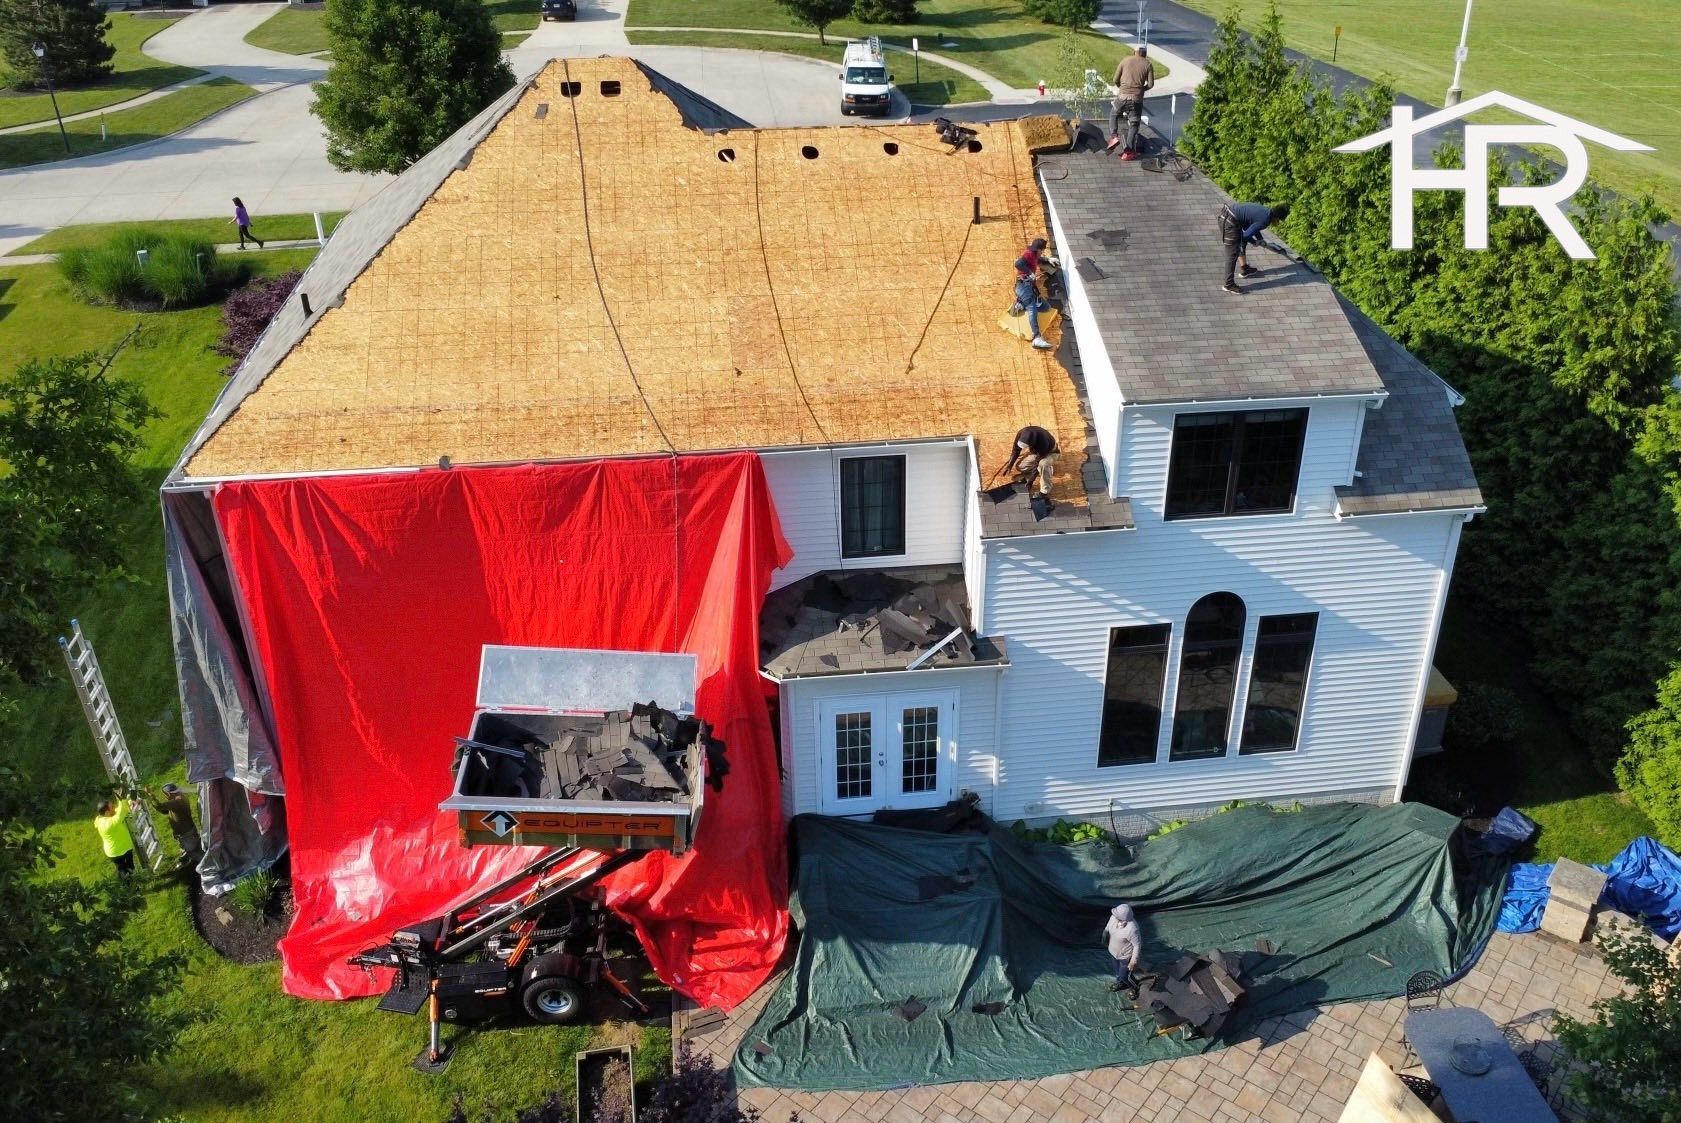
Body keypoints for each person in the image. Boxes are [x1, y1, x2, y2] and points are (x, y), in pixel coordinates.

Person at [1217, 201, 1290, 294]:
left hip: (1228, 216)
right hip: (1229, 222)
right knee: (1232, 253)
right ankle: (1229, 285)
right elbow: (1245, 235)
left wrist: (1260, 239)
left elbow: (1251, 225)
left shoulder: (1265, 211)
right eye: (1279, 221)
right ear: (1276, 218)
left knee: (1241, 244)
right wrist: (1255, 241)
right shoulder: (1266, 220)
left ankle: (1245, 269)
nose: (1278, 223)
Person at [1108, 47, 1155, 159]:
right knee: (1134, 125)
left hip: (1122, 97)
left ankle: (1114, 136)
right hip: (1136, 100)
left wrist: (1122, 88)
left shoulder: (1125, 60)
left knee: (1114, 113)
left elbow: (1115, 80)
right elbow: (1151, 84)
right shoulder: (1148, 64)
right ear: (1145, 54)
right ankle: (1128, 152)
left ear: (1134, 52)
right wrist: (1140, 90)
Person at [148, 783, 204, 869]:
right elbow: (166, 811)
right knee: (192, 851)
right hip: (187, 832)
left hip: (186, 834)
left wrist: (150, 796)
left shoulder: (177, 802)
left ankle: (205, 869)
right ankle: (194, 865)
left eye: (165, 795)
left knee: (195, 853)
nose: (165, 797)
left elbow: (160, 806)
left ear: (169, 794)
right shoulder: (180, 798)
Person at [1013, 241, 1053, 351]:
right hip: (1023, 285)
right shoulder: (1029, 253)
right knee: (1032, 308)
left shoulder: (1035, 256)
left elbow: (1038, 260)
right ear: (1039, 249)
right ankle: (1036, 337)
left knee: (1045, 307)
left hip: (1029, 288)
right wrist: (1029, 273)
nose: (1042, 252)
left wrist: (1048, 260)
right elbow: (1018, 264)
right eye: (1042, 250)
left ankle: (1020, 304)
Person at [1004, 424, 1059, 498]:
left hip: (1051, 452)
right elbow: (1016, 450)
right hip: (1037, 452)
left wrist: (1031, 481)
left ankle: (1044, 492)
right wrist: (1009, 465)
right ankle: (1042, 471)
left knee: (1043, 464)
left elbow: (1037, 463)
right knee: (1020, 466)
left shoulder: (1043, 441)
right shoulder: (1021, 433)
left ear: (1031, 443)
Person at [1105, 902, 1143, 997]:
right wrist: (1104, 935)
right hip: (1114, 952)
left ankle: (1134, 987)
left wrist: (1133, 961)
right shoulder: (1113, 918)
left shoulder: (1132, 929)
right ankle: (1121, 983)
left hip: (1125, 956)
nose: (1114, 915)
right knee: (1117, 973)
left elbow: (1137, 946)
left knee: (1124, 975)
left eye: (1117, 914)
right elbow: (1107, 927)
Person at [93, 796, 137, 877]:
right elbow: (120, 814)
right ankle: (129, 887)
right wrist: (123, 800)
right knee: (123, 871)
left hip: (125, 847)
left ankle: (133, 881)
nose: (114, 807)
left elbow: (119, 810)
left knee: (130, 867)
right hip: (117, 853)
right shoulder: (107, 824)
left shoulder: (105, 817)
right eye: (112, 807)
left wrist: (130, 802)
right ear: (106, 812)